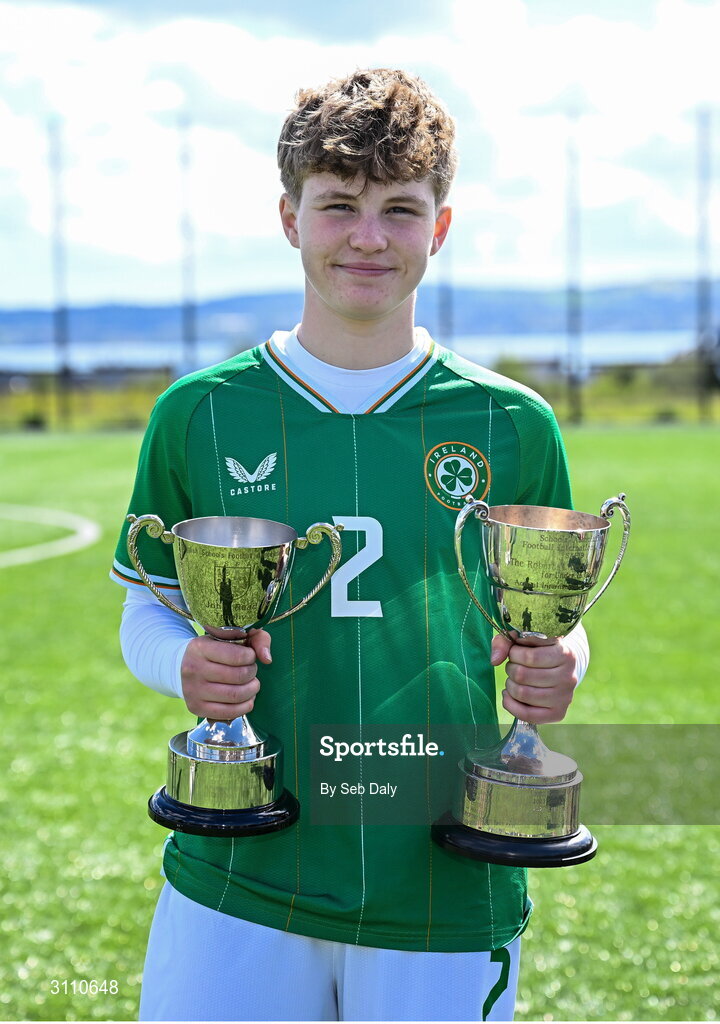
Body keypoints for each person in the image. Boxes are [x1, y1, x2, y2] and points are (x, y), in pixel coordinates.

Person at [111, 67, 589, 1022]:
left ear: (440, 228)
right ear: (289, 217)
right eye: (338, 205)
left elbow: (557, 627)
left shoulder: (513, 424)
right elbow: (146, 613)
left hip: (442, 877)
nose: (369, 237)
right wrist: (185, 668)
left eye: (400, 210)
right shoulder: (198, 414)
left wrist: (563, 663)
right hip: (241, 867)